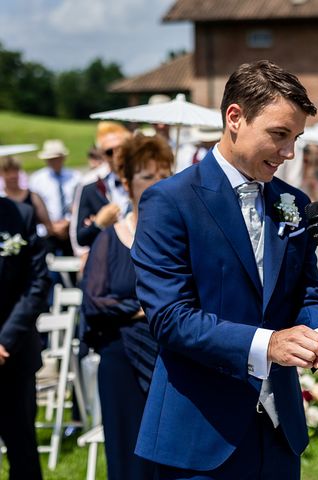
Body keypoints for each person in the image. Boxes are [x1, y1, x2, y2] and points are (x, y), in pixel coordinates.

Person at [131, 60, 318, 480]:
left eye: (296, 138)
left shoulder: (292, 201)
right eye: (279, 135)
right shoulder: (170, 201)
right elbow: (169, 318)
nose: (289, 153)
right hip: (200, 433)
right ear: (235, 117)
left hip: (278, 429)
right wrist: (268, 345)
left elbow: (305, 290)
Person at [82, 134, 173, 480]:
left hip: (170, 360)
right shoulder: (110, 238)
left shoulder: (183, 237)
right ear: (127, 182)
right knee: (126, 457)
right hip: (119, 359)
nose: (156, 184)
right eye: (147, 177)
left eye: (164, 175)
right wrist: (145, 309)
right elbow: (94, 301)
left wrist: (142, 309)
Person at [0, 197, 50, 480]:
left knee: (23, 452)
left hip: (13, 355)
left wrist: (5, 340)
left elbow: (37, 282)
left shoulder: (21, 214)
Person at [73, 127, 130, 250]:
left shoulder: (142, 183)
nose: (116, 155)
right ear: (103, 156)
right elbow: (80, 238)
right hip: (108, 256)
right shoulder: (90, 188)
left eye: (121, 149)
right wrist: (98, 224)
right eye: (110, 152)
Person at [28, 139, 81, 256]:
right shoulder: (37, 179)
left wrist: (67, 222)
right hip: (47, 231)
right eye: (51, 159)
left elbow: (79, 202)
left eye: (57, 158)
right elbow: (34, 206)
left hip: (70, 228)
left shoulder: (75, 177)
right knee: (50, 267)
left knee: (72, 265)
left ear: (63, 158)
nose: (55, 162)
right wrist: (50, 225)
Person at [0, 155, 54, 236]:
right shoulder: (1, 198)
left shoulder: (33, 196)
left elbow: (48, 225)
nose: (12, 176)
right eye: (7, 172)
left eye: (15, 171)